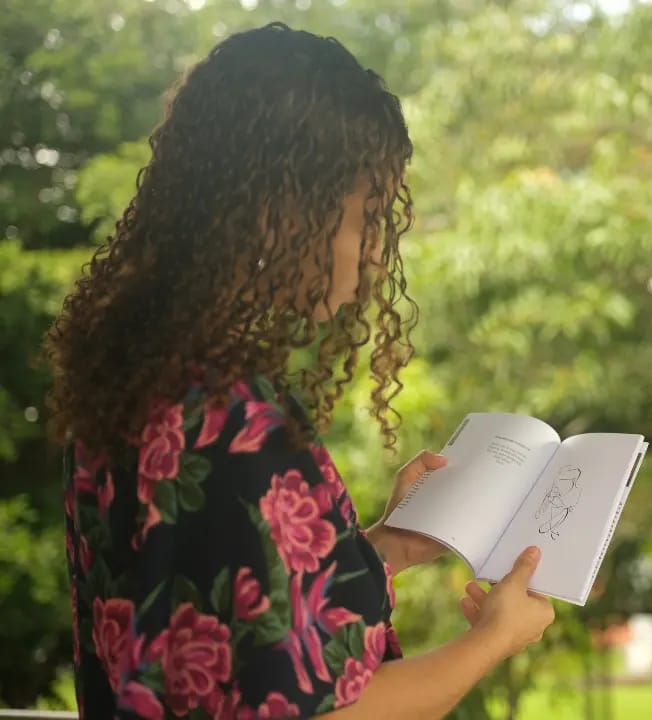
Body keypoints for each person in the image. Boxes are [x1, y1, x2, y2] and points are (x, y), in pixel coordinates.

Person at [43, 22, 554, 719]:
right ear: (278, 213)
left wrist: (385, 548)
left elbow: (233, 621)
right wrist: (490, 642)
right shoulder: (230, 417)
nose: (376, 255)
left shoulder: (145, 372)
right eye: (364, 218)